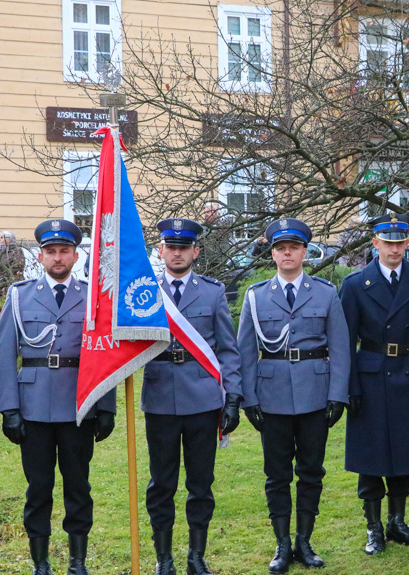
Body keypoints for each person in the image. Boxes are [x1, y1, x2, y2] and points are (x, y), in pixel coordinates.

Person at [0, 219, 116, 575]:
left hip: (80, 404)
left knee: (78, 486)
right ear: (41, 256)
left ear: (76, 256)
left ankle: (78, 562)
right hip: (32, 407)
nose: (58, 258)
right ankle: (41, 562)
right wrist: (9, 409)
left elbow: (105, 352)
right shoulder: (19, 295)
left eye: (64, 251)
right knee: (39, 488)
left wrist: (105, 406)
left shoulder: (94, 296)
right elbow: (4, 356)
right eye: (51, 252)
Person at [238, 217, 349, 574]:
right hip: (271, 397)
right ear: (272, 254)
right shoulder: (256, 297)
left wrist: (338, 395)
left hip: (316, 393)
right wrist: (249, 398)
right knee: (277, 474)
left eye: (294, 247)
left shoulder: (326, 292)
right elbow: (245, 351)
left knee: (312, 471)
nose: (288, 253)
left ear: (305, 252)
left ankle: (305, 539)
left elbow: (341, 348)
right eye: (281, 248)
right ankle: (282, 543)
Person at [143, 217, 242, 575]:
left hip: (203, 399)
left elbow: (228, 350)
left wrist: (232, 397)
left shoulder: (213, 292)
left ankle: (196, 557)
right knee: (162, 484)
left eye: (184, 248)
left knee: (201, 483)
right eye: (171, 247)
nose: (177, 253)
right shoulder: (144, 291)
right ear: (161, 250)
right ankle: (164, 558)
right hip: (159, 398)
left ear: (195, 252)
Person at [339, 213, 409, 555]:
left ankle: (397, 521)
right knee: (371, 455)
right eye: (388, 242)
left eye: (400, 242)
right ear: (375, 243)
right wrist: (349, 386)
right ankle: (374, 527)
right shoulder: (355, 284)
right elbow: (345, 342)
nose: (394, 248)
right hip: (369, 376)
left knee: (405, 451)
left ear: (408, 244)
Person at [0, 230, 26, 304]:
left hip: (10, 286)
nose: (0, 240)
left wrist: (0, 279)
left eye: (2, 237)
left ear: (9, 239)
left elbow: (17, 268)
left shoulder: (16, 251)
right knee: (1, 309)